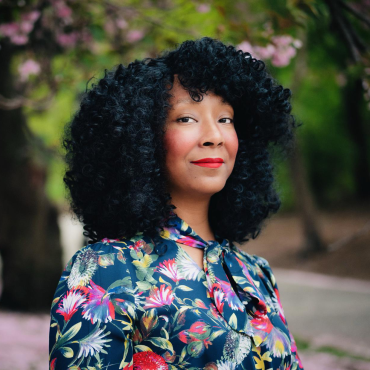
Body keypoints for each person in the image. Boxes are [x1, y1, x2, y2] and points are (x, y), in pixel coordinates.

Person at [49, 37, 304, 370]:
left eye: (225, 118)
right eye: (186, 118)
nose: (214, 135)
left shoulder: (256, 274)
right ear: (142, 138)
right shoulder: (104, 270)